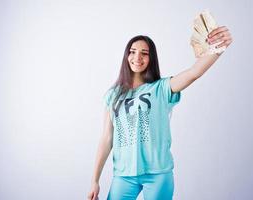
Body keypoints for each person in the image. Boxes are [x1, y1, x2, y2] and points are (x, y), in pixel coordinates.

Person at [88, 26, 233, 200]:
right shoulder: (113, 95)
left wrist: (219, 47)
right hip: (124, 174)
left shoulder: (161, 88)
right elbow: (106, 138)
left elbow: (194, 73)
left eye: (144, 53)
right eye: (132, 52)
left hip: (158, 174)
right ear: (126, 56)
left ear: (152, 58)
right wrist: (94, 180)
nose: (137, 58)